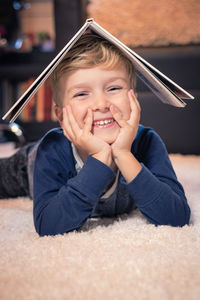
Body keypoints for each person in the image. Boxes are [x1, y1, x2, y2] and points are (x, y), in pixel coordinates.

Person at [0, 34, 190, 236]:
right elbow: (49, 226)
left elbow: (176, 217)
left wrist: (123, 154)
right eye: (82, 94)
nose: (101, 104)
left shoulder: (147, 142)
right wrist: (100, 159)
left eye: (114, 88)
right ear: (60, 115)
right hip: (28, 164)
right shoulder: (51, 149)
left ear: (134, 99)